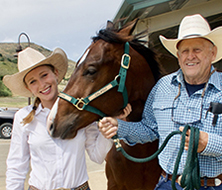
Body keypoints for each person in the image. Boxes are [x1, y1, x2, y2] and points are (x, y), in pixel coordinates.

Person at [98, 14, 222, 190]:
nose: (190, 56)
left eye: (197, 49)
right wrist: (119, 127)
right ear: (178, 56)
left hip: (213, 186)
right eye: (185, 51)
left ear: (213, 53)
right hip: (167, 184)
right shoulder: (163, 87)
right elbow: (149, 129)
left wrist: (208, 144)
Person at [3, 47, 130, 190]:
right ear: (28, 89)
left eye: (44, 75)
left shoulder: (80, 111)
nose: (42, 84)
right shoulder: (23, 117)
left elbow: (97, 156)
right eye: (33, 81)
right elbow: (16, 166)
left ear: (56, 74)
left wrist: (108, 128)